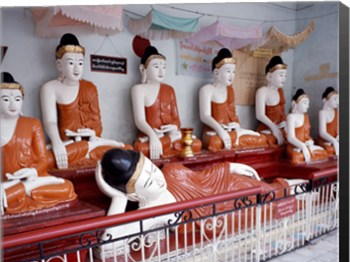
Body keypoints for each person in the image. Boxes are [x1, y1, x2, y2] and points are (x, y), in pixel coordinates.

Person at [95, 148, 292, 246]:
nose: (157, 179)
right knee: (268, 203)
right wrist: (118, 198)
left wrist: (229, 166)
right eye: (148, 183)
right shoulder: (152, 212)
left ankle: (298, 186)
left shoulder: (170, 170)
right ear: (135, 195)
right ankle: (295, 190)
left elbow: (203, 177)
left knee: (268, 190)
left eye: (153, 170)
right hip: (220, 216)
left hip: (227, 186)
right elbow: (110, 243)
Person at [40, 33, 129, 169]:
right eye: (71, 63)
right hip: (68, 145)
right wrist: (56, 142)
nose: (76, 68)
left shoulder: (90, 88)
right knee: (44, 161)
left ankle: (89, 150)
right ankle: (87, 151)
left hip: (92, 143)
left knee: (127, 151)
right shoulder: (50, 88)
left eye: (80, 63)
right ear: (59, 65)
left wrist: (93, 133)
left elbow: (97, 124)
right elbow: (50, 122)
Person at [1, 72, 76, 215]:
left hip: (34, 178)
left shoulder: (32, 124)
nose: (12, 105)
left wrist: (33, 171)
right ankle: (21, 190)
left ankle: (23, 189)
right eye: (5, 99)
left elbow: (42, 160)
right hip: (5, 183)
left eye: (17, 99)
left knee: (66, 187)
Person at [131, 45, 202, 159]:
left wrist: (174, 128)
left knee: (196, 144)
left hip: (170, 135)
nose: (161, 71)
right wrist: (153, 136)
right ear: (143, 69)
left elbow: (176, 120)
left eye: (164, 67)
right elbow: (140, 120)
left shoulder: (169, 90)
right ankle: (169, 141)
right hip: (150, 137)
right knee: (142, 149)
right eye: (156, 66)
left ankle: (169, 141)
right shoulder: (138, 89)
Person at [199, 48, 269, 152]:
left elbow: (232, 113)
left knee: (262, 139)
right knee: (216, 142)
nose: (232, 75)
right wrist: (221, 130)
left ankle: (236, 139)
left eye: (234, 72)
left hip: (231, 132)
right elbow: (205, 116)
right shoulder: (207, 90)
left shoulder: (230, 90)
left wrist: (236, 125)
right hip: (213, 132)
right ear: (217, 72)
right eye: (228, 71)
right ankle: (235, 139)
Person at [286, 89, 328, 164]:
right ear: (295, 104)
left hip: (306, 145)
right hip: (295, 146)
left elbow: (307, 135)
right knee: (296, 157)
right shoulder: (291, 117)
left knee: (324, 152)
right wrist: (302, 146)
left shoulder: (306, 117)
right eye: (304, 103)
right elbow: (290, 138)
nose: (307, 106)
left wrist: (310, 141)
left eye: (308, 103)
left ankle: (309, 155)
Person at [256, 56, 288, 146]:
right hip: (267, 128)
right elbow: (260, 115)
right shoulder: (262, 91)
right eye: (281, 75)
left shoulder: (281, 91)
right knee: (265, 140)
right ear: (269, 76)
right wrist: (274, 128)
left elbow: (282, 112)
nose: (284, 78)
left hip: (280, 126)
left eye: (285, 76)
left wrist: (285, 122)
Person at [318, 87, 339, 157]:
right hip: (325, 141)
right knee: (329, 149)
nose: (337, 102)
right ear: (325, 100)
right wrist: (333, 141)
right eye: (335, 99)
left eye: (338, 99)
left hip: (335, 139)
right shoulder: (323, 113)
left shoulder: (337, 113)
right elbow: (322, 132)